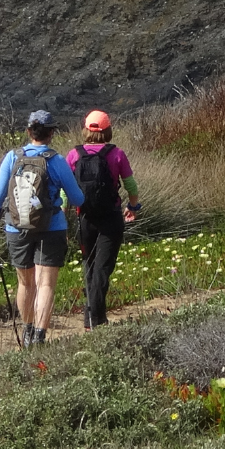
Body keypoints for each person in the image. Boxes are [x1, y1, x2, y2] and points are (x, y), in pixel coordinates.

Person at [0, 109, 84, 345]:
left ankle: (28, 329)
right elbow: (78, 198)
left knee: (25, 282)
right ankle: (39, 337)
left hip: (16, 227)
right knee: (46, 283)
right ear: (51, 133)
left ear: (29, 131)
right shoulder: (57, 160)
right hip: (52, 226)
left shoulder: (12, 157)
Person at [66, 110, 142, 330]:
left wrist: (63, 212)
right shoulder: (117, 154)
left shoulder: (74, 155)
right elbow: (131, 186)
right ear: (108, 130)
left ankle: (91, 318)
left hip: (84, 217)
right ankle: (98, 320)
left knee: (89, 266)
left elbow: (65, 191)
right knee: (102, 268)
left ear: (86, 129)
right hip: (111, 217)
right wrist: (133, 206)